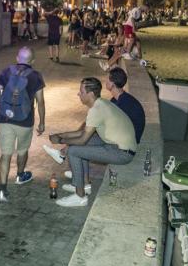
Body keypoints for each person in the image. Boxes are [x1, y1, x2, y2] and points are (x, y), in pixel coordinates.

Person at [45, 77, 137, 207]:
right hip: (116, 144)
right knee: (81, 145)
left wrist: (60, 140)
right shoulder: (100, 104)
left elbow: (82, 139)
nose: (78, 94)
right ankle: (84, 184)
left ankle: (80, 196)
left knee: (74, 151)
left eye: (81, 92)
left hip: (122, 152)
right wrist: (61, 135)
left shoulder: (96, 110)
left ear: (91, 94)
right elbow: (82, 133)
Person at [0, 47, 45, 202]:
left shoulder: (6, 72)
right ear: (32, 61)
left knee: (5, 154)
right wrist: (42, 122)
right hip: (25, 120)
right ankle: (20, 176)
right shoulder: (36, 76)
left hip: (5, 119)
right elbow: (41, 102)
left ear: (17, 58)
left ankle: (2, 190)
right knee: (22, 150)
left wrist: (7, 101)